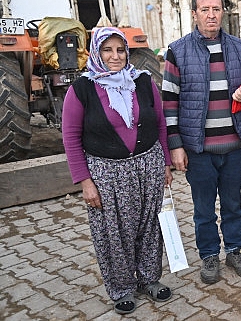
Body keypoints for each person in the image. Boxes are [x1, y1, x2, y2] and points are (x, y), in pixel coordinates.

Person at [62, 27, 174, 315]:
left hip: (148, 165)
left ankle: (149, 279)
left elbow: (160, 123)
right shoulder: (81, 89)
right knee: (114, 232)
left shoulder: (144, 81)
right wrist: (85, 181)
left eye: (120, 50)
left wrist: (165, 164)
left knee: (150, 225)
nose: (115, 56)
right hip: (107, 173)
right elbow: (71, 138)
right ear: (96, 53)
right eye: (107, 50)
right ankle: (122, 288)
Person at [162, 0, 241, 284]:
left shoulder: (238, 48)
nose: (212, 15)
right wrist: (176, 146)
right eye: (205, 9)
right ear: (194, 14)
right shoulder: (177, 50)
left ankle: (235, 250)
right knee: (203, 208)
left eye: (216, 9)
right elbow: (169, 102)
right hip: (198, 148)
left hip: (233, 145)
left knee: (233, 204)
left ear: (223, 12)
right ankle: (209, 255)